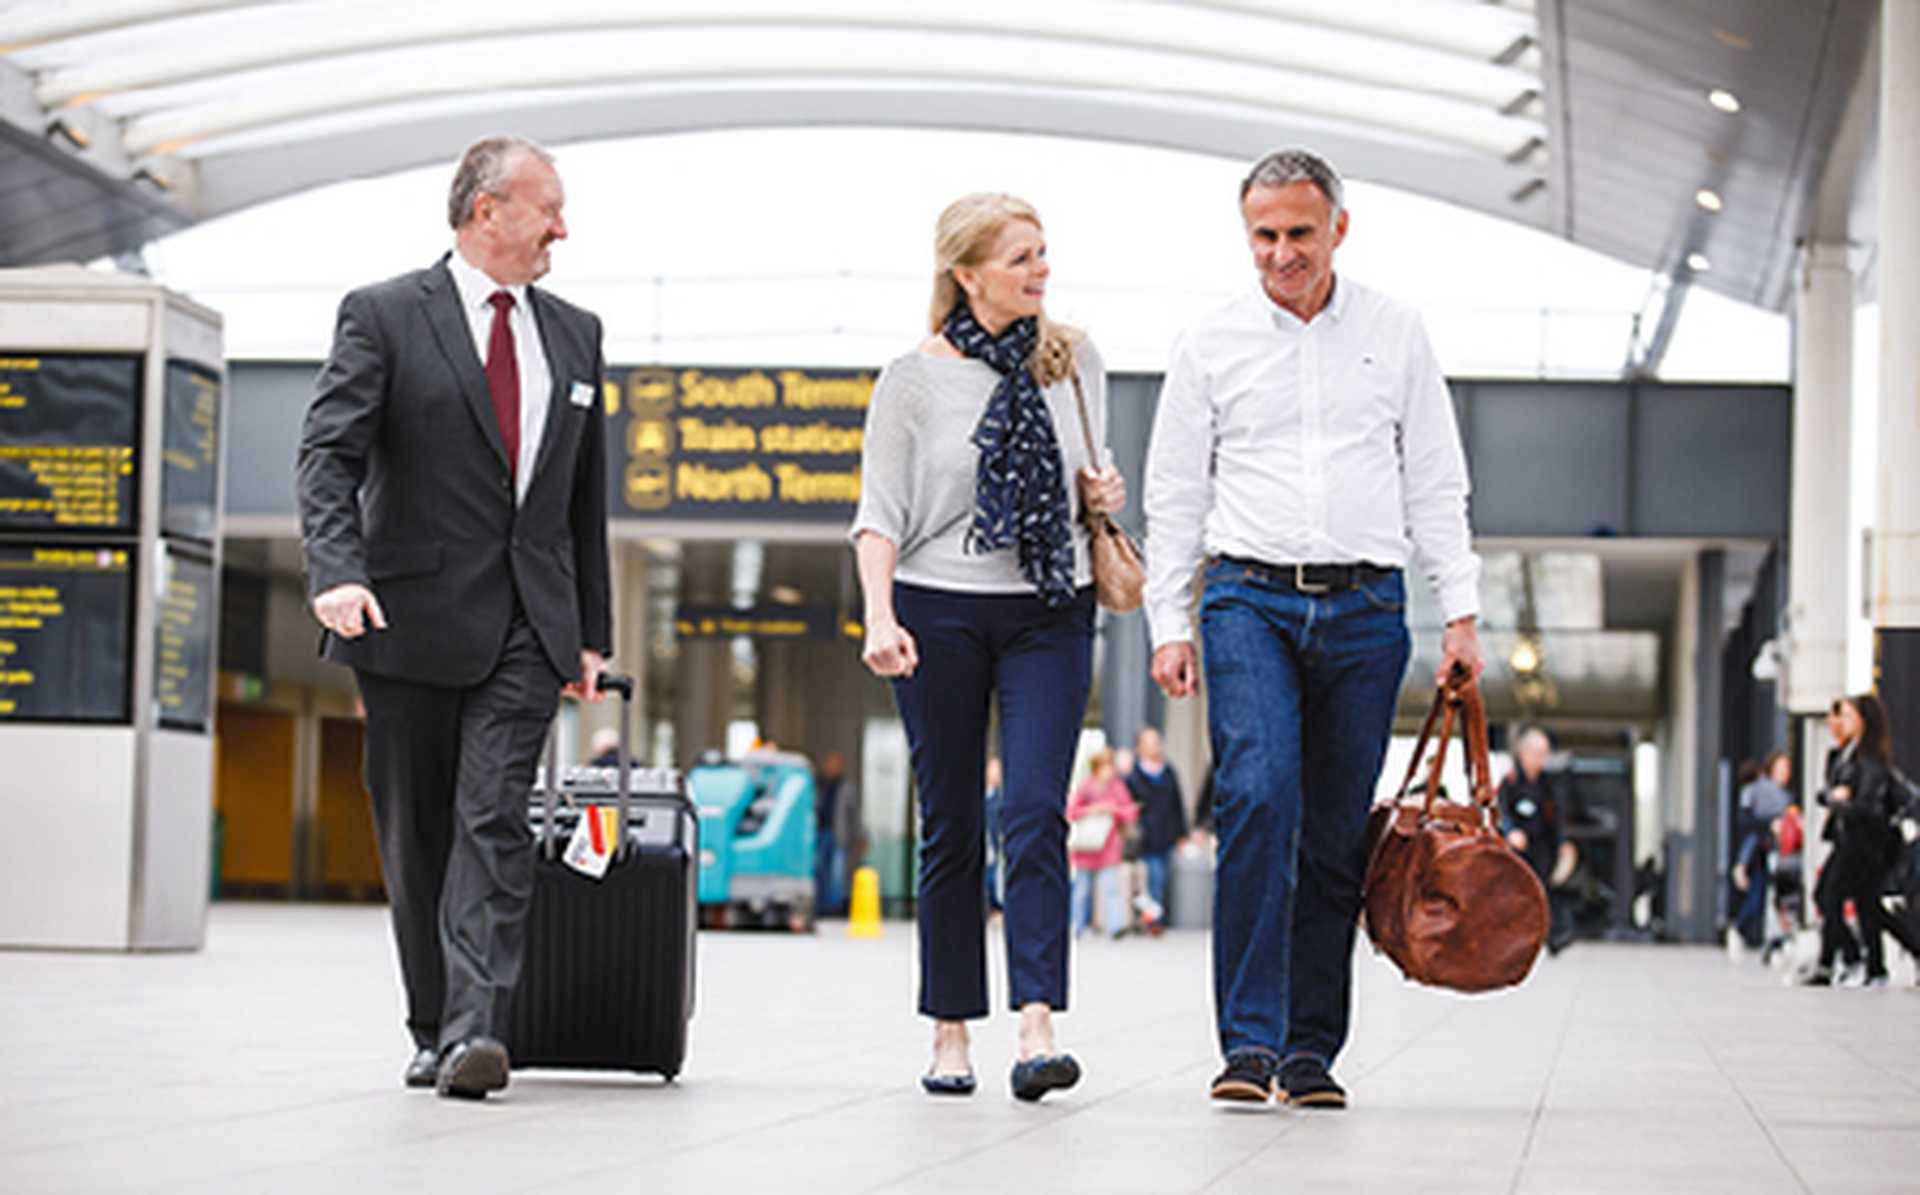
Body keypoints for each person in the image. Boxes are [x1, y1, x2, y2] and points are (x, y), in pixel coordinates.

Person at [1143, 149, 1483, 1109]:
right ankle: (1247, 1045)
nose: (1282, 252)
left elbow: (1435, 478)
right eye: (1264, 235)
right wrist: (1169, 622)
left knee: (1336, 829)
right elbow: (1176, 493)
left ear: (1339, 227)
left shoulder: (1396, 331)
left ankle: (1309, 1050)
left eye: (1299, 232)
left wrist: (1459, 611)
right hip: (1246, 596)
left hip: (1370, 610)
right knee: (1258, 793)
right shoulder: (1209, 343)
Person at [296, 135, 611, 1100]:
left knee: (491, 818)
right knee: (419, 829)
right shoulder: (387, 314)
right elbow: (328, 455)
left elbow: (581, 497)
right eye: (547, 206)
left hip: (528, 622)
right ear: (488, 212)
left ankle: (478, 1028)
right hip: (404, 616)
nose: (564, 226)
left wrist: (590, 633)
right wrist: (336, 572)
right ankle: (432, 1021)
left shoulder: (576, 332)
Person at [851, 192, 1126, 1102]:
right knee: (954, 824)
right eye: (1020, 258)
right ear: (965, 273)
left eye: (1043, 253)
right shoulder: (911, 380)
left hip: (1051, 605)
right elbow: (878, 516)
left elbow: (1093, 480)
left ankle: (1038, 1022)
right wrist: (880, 616)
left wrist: (1104, 493)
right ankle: (950, 1030)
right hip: (939, 612)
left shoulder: (1075, 360)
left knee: (1038, 808)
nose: (1040, 270)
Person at [1803, 694, 1920, 986]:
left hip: (1866, 842)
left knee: (1829, 896)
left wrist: (1838, 800)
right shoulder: (1847, 756)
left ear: (1864, 722)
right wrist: (1832, 797)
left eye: (1848, 716)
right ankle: (1875, 967)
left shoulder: (1871, 761)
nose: (1841, 721)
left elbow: (1867, 806)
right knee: (1868, 905)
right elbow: (1831, 792)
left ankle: (1842, 961)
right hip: (1852, 839)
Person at [1497, 728, 1575, 956]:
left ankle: (1552, 937)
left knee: (1544, 890)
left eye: (1545, 754)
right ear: (1524, 753)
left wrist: (1563, 843)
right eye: (1537, 753)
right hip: (1516, 849)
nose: (1541, 759)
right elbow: (1501, 811)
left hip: (1542, 847)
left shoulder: (1548, 784)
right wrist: (1511, 832)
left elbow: (1556, 817)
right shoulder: (1510, 782)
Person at [1068, 750, 1140, 939]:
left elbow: (1130, 812)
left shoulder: (1118, 787)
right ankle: (1077, 925)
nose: (1108, 771)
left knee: (1111, 888)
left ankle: (1116, 926)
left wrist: (1114, 810)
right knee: (1081, 890)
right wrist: (1092, 810)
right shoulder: (1085, 787)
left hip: (1109, 846)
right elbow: (1071, 811)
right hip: (1086, 847)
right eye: (1104, 766)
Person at [1124, 727, 1187, 934]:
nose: (1154, 746)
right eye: (1149, 742)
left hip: (1166, 834)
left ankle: (1151, 918)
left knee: (1160, 878)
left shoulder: (1168, 773)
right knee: (1152, 878)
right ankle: (1153, 921)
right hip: (1144, 836)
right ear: (1139, 747)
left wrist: (1182, 833)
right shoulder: (1132, 776)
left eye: (1156, 742)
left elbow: (1177, 804)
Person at [1731, 751, 1791, 949]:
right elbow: (1747, 825)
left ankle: (1775, 939)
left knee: (1777, 899)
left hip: (1783, 852)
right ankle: (1740, 929)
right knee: (1759, 897)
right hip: (1761, 852)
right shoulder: (1756, 791)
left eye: (1787, 768)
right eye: (1781, 767)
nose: (1785, 772)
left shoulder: (1787, 796)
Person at [814, 750, 857, 917]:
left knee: (836, 874)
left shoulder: (847, 787)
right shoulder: (819, 785)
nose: (833, 768)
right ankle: (820, 907)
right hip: (819, 833)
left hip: (838, 834)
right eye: (831, 764)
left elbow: (854, 814)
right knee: (819, 871)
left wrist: (859, 835)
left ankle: (834, 908)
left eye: (836, 764)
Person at [983, 755, 1007, 914]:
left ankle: (994, 907)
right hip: (980, 838)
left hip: (994, 841)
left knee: (992, 876)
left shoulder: (1001, 797)